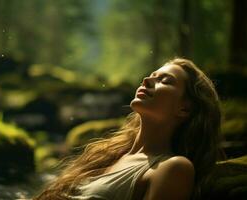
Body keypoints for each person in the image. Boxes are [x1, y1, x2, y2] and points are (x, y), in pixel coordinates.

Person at [33, 58, 223, 200]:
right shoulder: (108, 154)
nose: (147, 80)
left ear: (185, 108)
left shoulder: (173, 168)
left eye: (165, 81)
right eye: (151, 75)